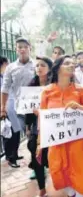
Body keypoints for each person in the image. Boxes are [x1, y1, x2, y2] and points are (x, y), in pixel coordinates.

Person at [37, 55, 83, 197]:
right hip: (57, 143)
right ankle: (72, 193)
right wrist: (40, 142)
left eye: (72, 63)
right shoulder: (47, 92)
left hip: (77, 142)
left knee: (79, 173)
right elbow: (43, 118)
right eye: (67, 63)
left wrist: (80, 108)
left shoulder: (80, 91)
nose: (72, 65)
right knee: (59, 171)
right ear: (57, 68)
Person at [1, 37, 35, 168]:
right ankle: (14, 157)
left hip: (36, 108)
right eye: (19, 47)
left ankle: (36, 164)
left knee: (33, 137)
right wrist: (3, 108)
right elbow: (4, 89)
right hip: (19, 109)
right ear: (16, 50)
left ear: (29, 48)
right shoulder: (10, 68)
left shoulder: (36, 64)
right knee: (23, 135)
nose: (22, 49)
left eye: (25, 47)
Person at [25, 56, 53, 197]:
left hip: (54, 126)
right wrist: (28, 126)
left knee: (54, 157)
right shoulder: (31, 86)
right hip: (37, 128)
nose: (39, 68)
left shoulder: (55, 85)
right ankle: (42, 188)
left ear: (49, 69)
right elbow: (26, 108)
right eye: (37, 65)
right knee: (36, 157)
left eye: (42, 65)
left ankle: (63, 182)